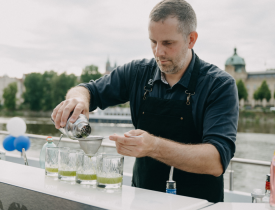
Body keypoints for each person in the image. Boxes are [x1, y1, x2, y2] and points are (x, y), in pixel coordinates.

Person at [52, 0, 238, 202]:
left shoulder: (219, 85)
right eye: (153, 42)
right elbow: (87, 90)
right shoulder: (137, 73)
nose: (158, 52)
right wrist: (77, 100)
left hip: (199, 204)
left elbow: (216, 160)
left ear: (191, 39)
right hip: (141, 201)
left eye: (168, 43)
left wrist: (153, 146)